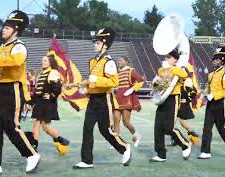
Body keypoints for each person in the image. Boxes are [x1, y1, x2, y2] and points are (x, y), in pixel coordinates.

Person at [72, 27, 131, 169]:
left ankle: (124, 148)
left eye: (97, 43)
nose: (95, 45)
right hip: (93, 99)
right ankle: (87, 161)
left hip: (105, 99)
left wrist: (96, 80)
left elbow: (113, 82)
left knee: (105, 130)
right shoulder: (92, 61)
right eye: (95, 42)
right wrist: (77, 85)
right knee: (87, 128)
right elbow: (91, 80)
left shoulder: (108, 62)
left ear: (105, 44)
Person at [0, 10, 40, 173]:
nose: (4, 30)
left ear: (16, 30)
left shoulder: (19, 47)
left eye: (7, 28)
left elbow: (16, 61)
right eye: (4, 27)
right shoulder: (2, 47)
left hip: (12, 89)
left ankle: (31, 154)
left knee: (11, 125)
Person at [150, 49, 191, 162]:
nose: (167, 59)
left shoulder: (178, 69)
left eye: (169, 57)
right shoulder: (161, 69)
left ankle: (185, 144)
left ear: (175, 59)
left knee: (169, 127)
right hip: (162, 98)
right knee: (158, 127)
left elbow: (185, 75)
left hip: (173, 98)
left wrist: (172, 67)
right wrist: (155, 84)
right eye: (166, 57)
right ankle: (161, 154)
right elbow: (158, 82)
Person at [198, 47, 225, 159]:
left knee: (221, 127)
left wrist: (214, 95)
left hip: (221, 103)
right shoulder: (211, 74)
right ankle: (205, 152)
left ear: (223, 60)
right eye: (214, 59)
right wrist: (204, 95)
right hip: (211, 103)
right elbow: (208, 88)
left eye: (217, 59)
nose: (214, 61)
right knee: (207, 127)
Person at [31, 55, 70, 155]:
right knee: (41, 126)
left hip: (48, 103)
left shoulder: (53, 72)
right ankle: (60, 140)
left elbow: (57, 88)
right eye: (42, 60)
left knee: (42, 126)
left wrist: (51, 96)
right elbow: (37, 91)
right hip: (40, 102)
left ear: (50, 62)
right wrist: (31, 102)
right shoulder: (41, 73)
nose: (42, 62)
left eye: (45, 60)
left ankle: (34, 148)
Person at [114, 56, 144, 147]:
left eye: (120, 60)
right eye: (118, 60)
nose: (118, 62)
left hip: (127, 99)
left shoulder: (131, 71)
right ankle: (117, 141)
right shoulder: (117, 73)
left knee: (126, 122)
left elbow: (141, 81)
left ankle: (136, 135)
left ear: (126, 62)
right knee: (115, 119)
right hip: (118, 98)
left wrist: (132, 90)